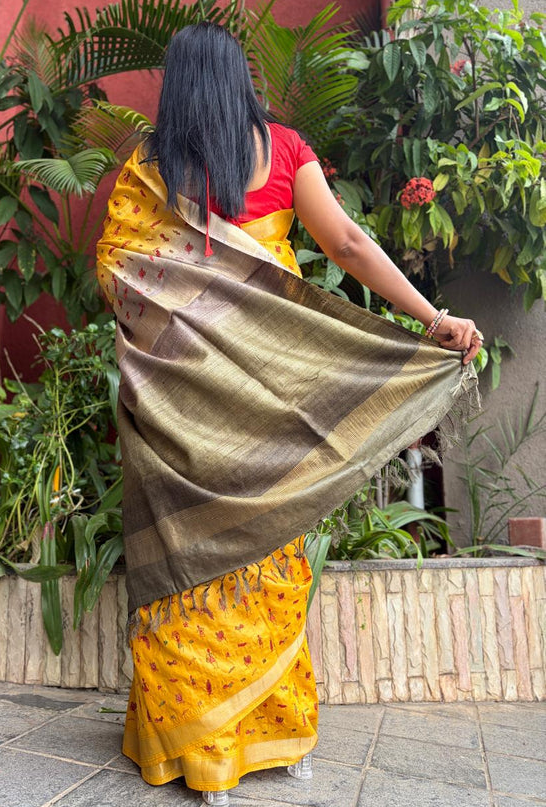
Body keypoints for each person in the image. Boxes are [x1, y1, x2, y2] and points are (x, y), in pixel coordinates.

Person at [96, 22, 481, 807]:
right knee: (267, 555)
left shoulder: (149, 168)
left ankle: (196, 748)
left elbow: (119, 271)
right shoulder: (283, 149)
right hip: (273, 394)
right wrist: (430, 317)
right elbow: (346, 244)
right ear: (241, 79)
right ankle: (275, 737)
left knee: (188, 567)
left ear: (177, 86)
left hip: (179, 405)